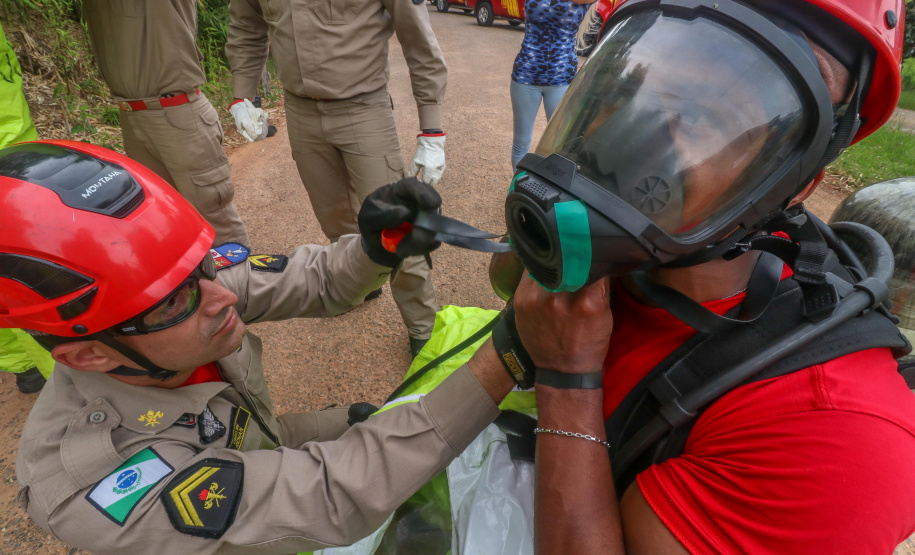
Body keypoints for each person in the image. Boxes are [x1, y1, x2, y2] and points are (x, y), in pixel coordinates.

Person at [489, 0, 915, 552]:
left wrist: (567, 376)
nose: (632, 141)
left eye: (708, 115)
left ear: (797, 182)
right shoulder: (628, 253)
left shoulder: (840, 438)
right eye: (626, 89)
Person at [6, 140, 571, 553]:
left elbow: (312, 280)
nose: (220, 297)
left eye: (201, 265)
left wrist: (375, 249)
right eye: (174, 300)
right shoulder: (100, 484)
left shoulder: (171, 304)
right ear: (88, 356)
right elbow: (329, 495)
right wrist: (506, 358)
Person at [225, 0, 448, 357]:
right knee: (334, 215)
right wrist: (242, 93)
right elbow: (247, 27)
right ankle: (359, 279)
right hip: (300, 110)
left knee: (397, 223)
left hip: (364, 109)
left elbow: (418, 40)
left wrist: (432, 128)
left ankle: (423, 326)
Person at [81, 0, 251, 247]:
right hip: (131, 115)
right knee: (165, 220)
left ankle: (240, 284)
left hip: (177, 114)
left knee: (215, 220)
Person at [0, 20, 55, 393]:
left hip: (13, 140)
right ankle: (69, 381)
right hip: (12, 153)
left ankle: (23, 365)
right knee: (29, 265)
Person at [509, 0, 594, 171]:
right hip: (525, 74)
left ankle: (549, 192)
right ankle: (517, 188)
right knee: (521, 142)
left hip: (562, 78)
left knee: (559, 145)